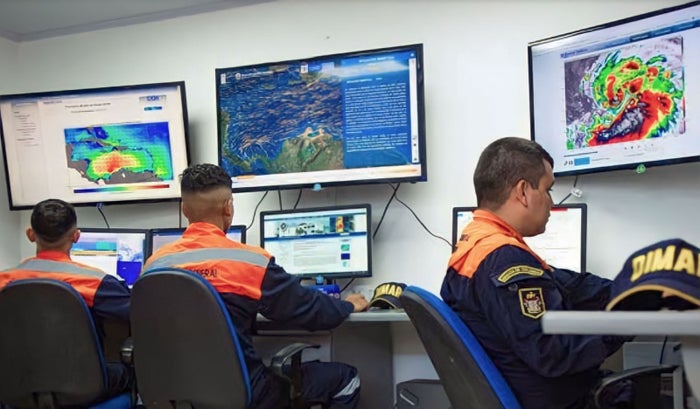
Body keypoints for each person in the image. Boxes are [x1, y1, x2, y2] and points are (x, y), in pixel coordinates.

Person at [144, 163, 369, 409]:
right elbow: (311, 311)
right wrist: (348, 305)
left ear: (184, 209)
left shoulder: (154, 265)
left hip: (174, 395)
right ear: (228, 207)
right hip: (245, 395)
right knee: (346, 379)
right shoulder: (250, 262)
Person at [441, 137, 631, 409]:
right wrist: (628, 321)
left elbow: (566, 283)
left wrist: (634, 289)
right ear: (523, 192)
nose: (551, 202)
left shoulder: (476, 245)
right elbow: (554, 355)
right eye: (547, 189)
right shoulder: (504, 258)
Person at [0, 198, 132, 398]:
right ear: (76, 236)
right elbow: (138, 313)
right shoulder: (96, 282)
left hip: (15, 386)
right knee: (127, 371)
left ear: (30, 235)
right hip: (83, 386)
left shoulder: (4, 281)